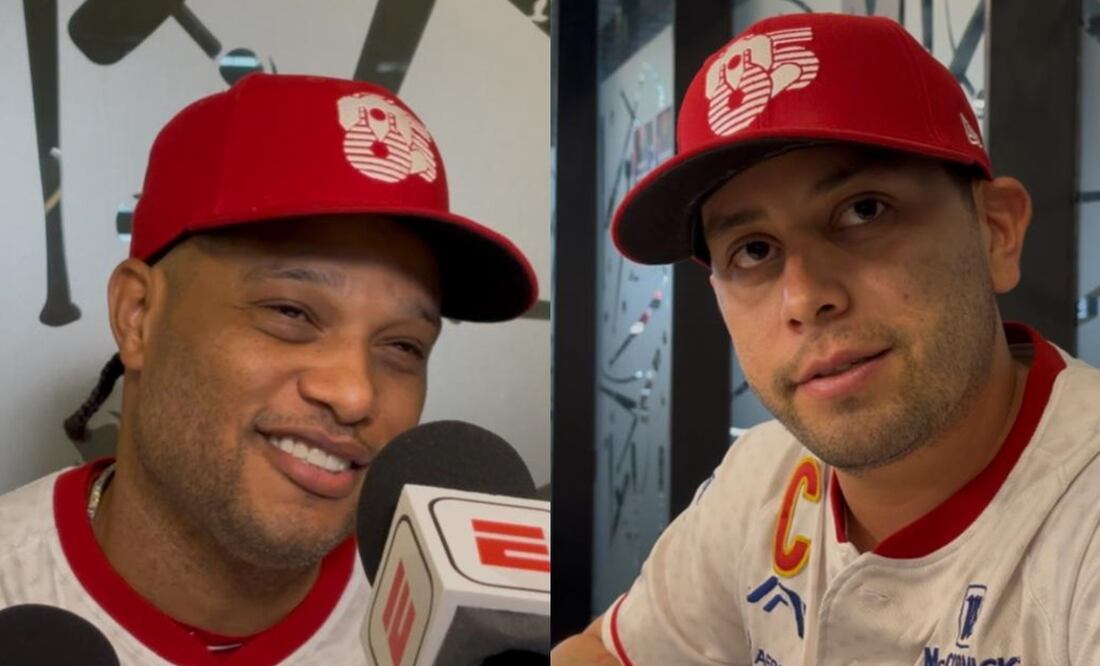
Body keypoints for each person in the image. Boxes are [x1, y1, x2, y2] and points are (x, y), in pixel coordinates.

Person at [553, 12, 1100, 665]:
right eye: (753, 249)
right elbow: (604, 654)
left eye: (863, 210)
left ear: (995, 231)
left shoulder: (1081, 520)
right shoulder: (762, 474)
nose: (806, 296)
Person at [0, 73, 536, 665]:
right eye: (291, 312)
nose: (354, 393)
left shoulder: (459, 640)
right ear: (138, 315)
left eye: (404, 346)